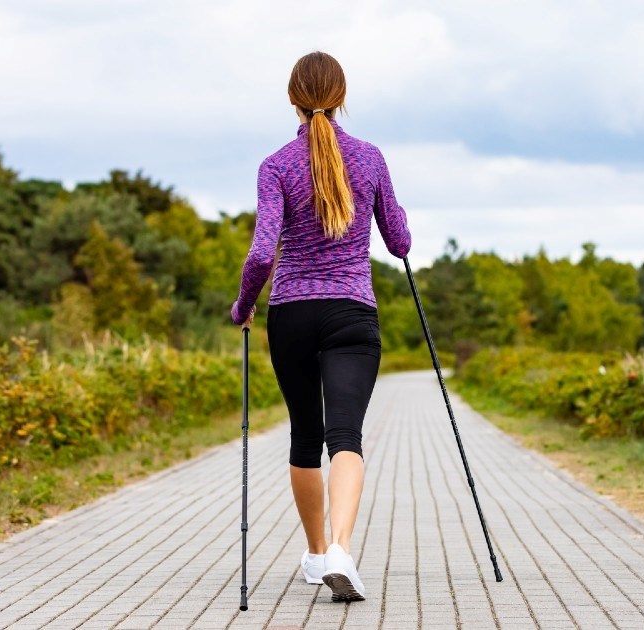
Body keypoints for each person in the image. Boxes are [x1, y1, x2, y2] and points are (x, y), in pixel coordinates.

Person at [230, 51, 411, 603]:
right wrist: (390, 234)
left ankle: (314, 556)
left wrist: (243, 305)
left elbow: (263, 253)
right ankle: (339, 549)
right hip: (353, 312)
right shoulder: (371, 159)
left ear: (292, 98)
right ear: (342, 96)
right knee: (346, 437)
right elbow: (399, 239)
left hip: (293, 315)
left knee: (306, 436)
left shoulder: (276, 166)